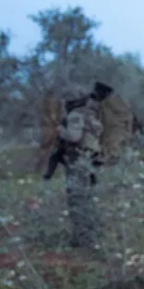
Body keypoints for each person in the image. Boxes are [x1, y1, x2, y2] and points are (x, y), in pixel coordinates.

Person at [56, 82, 110, 248]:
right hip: (91, 159)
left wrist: (59, 130)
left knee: (76, 197)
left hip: (78, 159)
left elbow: (74, 137)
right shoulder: (90, 114)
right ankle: (92, 233)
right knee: (88, 197)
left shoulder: (75, 115)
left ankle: (82, 238)